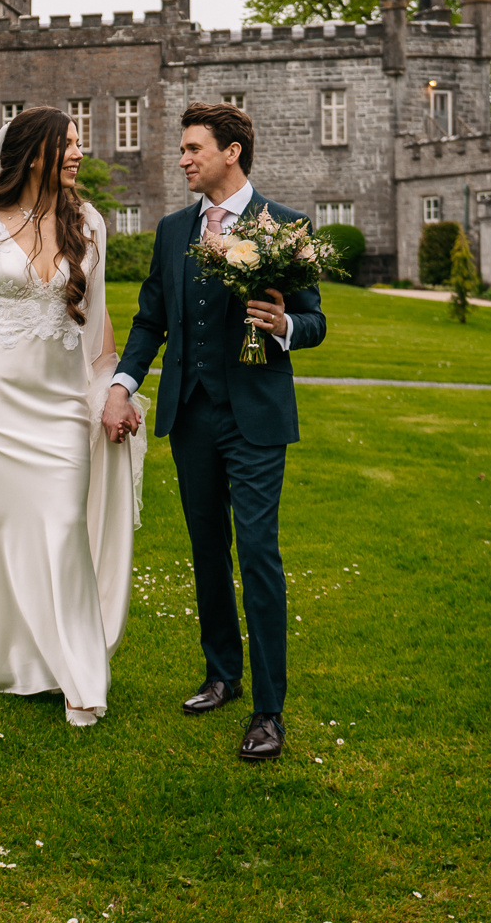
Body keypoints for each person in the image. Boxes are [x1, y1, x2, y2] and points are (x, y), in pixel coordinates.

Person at [102, 102, 327, 761]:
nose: (183, 159)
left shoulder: (283, 226)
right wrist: (124, 383)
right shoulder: (175, 231)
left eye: (193, 148)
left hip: (255, 419)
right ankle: (221, 674)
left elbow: (314, 320)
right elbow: (150, 321)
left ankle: (268, 709)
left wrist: (283, 326)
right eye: (182, 149)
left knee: (257, 553)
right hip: (191, 413)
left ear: (231, 151)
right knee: (207, 550)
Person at [0, 107, 146, 727]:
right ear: (33, 153)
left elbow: (100, 317)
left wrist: (112, 391)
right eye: (69, 144)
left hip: (59, 408)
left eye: (81, 141)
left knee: (61, 530)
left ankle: (79, 673)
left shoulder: (91, 225)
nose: (79, 152)